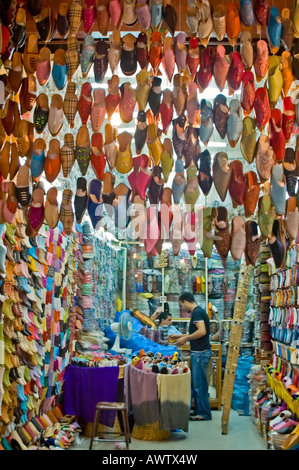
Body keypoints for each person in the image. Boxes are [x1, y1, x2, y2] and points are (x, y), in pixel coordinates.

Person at [170, 292, 212, 421]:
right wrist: (178, 337)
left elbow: (202, 331)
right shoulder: (199, 312)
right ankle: (199, 409)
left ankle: (204, 413)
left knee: (199, 385)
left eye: (182, 305)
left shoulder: (197, 313)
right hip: (199, 352)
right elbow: (196, 332)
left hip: (200, 353)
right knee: (197, 384)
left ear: (186, 302)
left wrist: (186, 338)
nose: (183, 308)